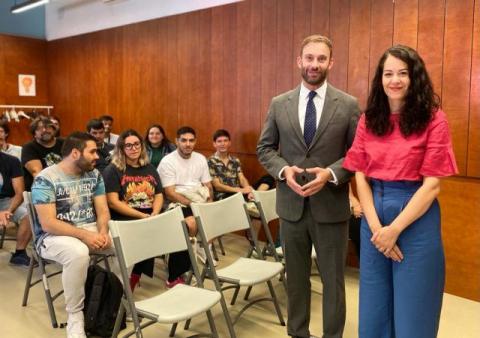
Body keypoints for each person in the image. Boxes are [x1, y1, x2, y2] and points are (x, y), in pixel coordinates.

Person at [343, 45, 458, 338]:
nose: (395, 80)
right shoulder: (368, 119)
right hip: (374, 221)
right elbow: (360, 175)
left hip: (415, 218)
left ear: (414, 77)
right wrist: (376, 227)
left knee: (413, 314)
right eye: (388, 73)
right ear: (380, 79)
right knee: (373, 313)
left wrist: (393, 230)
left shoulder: (433, 118)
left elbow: (432, 185)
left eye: (403, 73)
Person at [257, 34, 360, 338]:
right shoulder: (279, 104)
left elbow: (357, 155)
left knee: (333, 282)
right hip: (291, 208)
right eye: (310, 58)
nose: (315, 64)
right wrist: (283, 170)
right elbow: (265, 148)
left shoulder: (349, 105)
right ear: (299, 61)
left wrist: (330, 174)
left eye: (321, 59)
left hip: (331, 208)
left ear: (331, 62)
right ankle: (297, 333)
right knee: (296, 281)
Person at [31, 132, 112, 338]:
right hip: (52, 237)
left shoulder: (94, 175)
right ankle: (75, 316)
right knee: (78, 253)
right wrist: (85, 235)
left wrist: (103, 232)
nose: (97, 156)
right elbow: (48, 224)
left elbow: (102, 211)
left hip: (90, 228)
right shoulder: (46, 179)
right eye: (92, 151)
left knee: (123, 241)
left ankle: (112, 302)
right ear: (75, 153)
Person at [102, 129, 164, 291]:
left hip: (150, 215)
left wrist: (155, 213)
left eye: (136, 144)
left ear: (142, 146)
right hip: (125, 218)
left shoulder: (149, 167)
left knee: (181, 229)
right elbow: (113, 202)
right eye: (128, 145)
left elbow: (159, 194)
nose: (133, 148)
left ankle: (173, 276)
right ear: (121, 149)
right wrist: (142, 216)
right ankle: (127, 282)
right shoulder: (113, 170)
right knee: (143, 235)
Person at [158, 126, 215, 268]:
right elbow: (170, 193)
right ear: (177, 141)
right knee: (191, 223)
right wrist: (193, 205)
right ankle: (186, 259)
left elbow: (208, 185)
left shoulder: (200, 158)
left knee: (215, 216)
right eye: (183, 140)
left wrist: (210, 202)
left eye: (191, 140)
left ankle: (202, 247)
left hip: (198, 197)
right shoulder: (168, 161)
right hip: (176, 201)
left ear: (195, 142)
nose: (188, 144)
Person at [0, 151, 32, 266]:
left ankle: (19, 253)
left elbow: (19, 193)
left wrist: (8, 211)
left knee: (29, 215)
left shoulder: (12, 161)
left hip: (6, 200)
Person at [208, 129, 255, 201]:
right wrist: (239, 190)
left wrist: (248, 190)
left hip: (238, 193)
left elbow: (242, 179)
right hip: (222, 197)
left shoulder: (235, 160)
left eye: (225, 141)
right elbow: (217, 186)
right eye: (219, 141)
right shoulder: (210, 161)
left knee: (266, 180)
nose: (222, 144)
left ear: (229, 143)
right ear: (214, 144)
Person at [21, 116, 64, 191]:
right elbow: (37, 174)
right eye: (39, 129)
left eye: (48, 127)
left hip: (66, 186)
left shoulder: (64, 143)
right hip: (42, 190)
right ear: (34, 134)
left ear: (53, 129)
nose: (44, 130)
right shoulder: (29, 147)